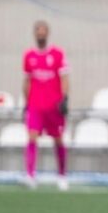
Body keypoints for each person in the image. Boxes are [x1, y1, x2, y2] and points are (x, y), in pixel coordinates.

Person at [22, 20, 70, 190]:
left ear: (47, 33)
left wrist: (64, 99)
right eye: (38, 31)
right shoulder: (29, 56)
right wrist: (26, 103)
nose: (41, 34)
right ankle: (30, 175)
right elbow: (27, 81)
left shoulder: (58, 54)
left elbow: (64, 78)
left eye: (43, 31)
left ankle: (62, 175)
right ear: (35, 34)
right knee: (32, 137)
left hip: (54, 106)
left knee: (58, 139)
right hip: (35, 105)